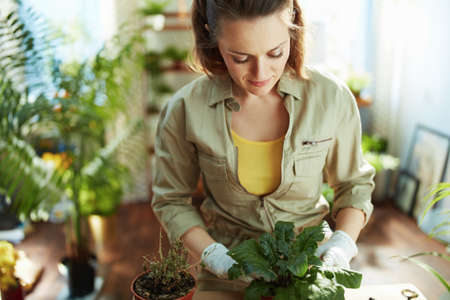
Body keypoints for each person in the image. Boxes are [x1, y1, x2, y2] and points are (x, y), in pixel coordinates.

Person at [151, 0, 375, 292]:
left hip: (310, 264)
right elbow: (171, 200)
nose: (260, 73)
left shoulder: (331, 98)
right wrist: (216, 257)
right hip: (228, 266)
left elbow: (354, 185)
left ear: (293, 29)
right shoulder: (185, 109)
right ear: (212, 38)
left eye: (275, 53)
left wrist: (342, 243)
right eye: (240, 57)